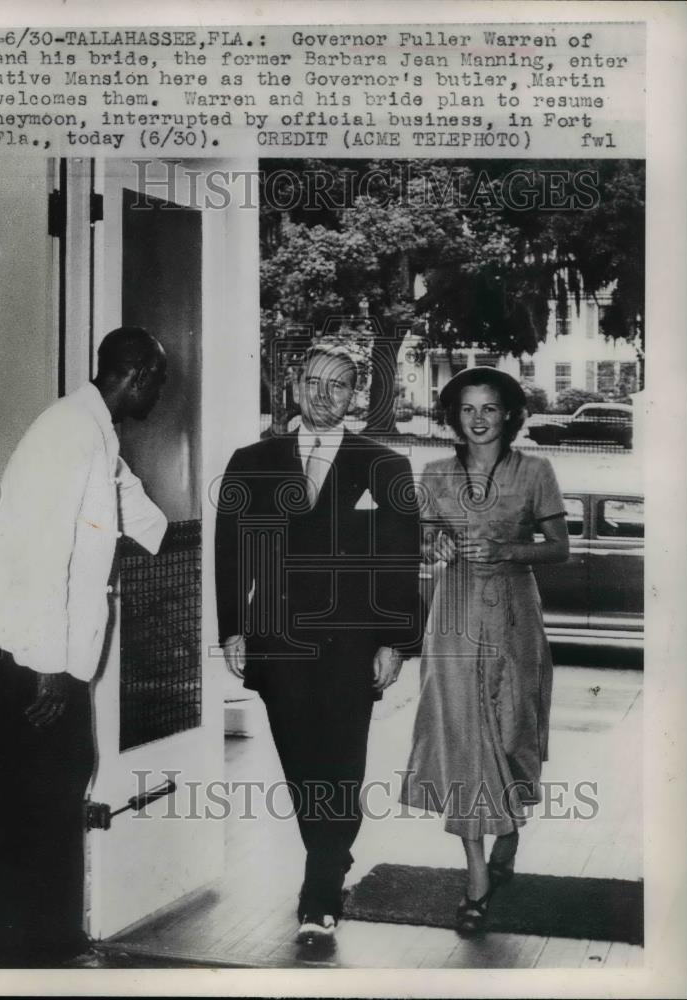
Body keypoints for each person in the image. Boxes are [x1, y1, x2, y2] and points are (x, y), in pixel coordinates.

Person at [0, 327, 168, 966]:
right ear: (134, 375)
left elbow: (126, 497)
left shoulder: (93, 428)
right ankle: (42, 946)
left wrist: (190, 534)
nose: (160, 392)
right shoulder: (71, 432)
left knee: (55, 784)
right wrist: (50, 667)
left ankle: (39, 941)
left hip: (40, 649)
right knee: (46, 793)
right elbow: (44, 554)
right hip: (35, 653)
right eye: (157, 380)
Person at [215, 344, 420, 943]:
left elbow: (399, 560)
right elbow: (231, 549)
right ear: (295, 386)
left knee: (342, 764)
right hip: (277, 640)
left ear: (356, 395)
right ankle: (330, 853)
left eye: (341, 386)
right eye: (315, 382)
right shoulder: (251, 460)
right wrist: (233, 627)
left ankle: (320, 889)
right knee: (302, 764)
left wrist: (396, 642)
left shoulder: (385, 466)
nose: (325, 395)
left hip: (353, 642)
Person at [400, 366, 569, 936]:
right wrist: (439, 542)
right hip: (453, 618)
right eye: (467, 408)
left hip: (517, 617)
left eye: (489, 408)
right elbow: (423, 543)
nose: (477, 418)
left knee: (516, 729)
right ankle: (475, 875)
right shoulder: (434, 472)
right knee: (462, 737)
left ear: (509, 414)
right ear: (452, 415)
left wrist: (509, 547)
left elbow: (559, 548)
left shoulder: (536, 471)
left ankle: (511, 826)